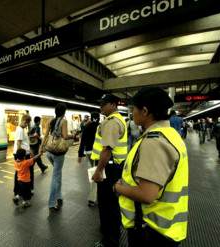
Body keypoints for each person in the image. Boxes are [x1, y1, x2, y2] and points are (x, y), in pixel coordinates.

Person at [114, 87, 189, 247]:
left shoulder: (154, 142)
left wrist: (118, 188)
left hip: (150, 230)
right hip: (165, 226)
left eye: (133, 108)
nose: (132, 112)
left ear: (145, 111)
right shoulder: (171, 134)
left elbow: (147, 195)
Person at [91, 94, 128, 247]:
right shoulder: (116, 120)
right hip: (114, 167)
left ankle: (110, 240)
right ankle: (111, 232)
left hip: (109, 168)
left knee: (107, 204)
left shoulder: (112, 123)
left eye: (103, 104)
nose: (101, 107)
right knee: (111, 202)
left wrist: (98, 171)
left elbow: (106, 150)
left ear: (113, 105)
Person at [40, 103, 77, 211]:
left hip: (49, 152)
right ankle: (52, 203)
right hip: (58, 153)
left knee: (58, 174)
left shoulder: (51, 121)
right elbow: (65, 136)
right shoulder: (63, 121)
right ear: (64, 112)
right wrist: (74, 135)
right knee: (55, 178)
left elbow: (46, 135)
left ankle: (59, 196)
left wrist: (41, 148)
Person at [80, 111, 100, 207]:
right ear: (98, 118)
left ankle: (95, 196)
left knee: (94, 170)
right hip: (96, 153)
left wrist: (80, 154)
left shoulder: (87, 126)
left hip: (88, 152)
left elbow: (82, 140)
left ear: (91, 118)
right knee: (97, 172)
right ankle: (92, 198)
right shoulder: (99, 126)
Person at [13, 114, 33, 204]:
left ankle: (23, 192)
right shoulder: (20, 130)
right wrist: (20, 158)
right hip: (22, 155)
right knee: (20, 174)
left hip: (25, 154)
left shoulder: (22, 129)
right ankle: (18, 192)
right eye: (27, 123)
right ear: (24, 121)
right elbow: (19, 144)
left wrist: (30, 150)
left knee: (21, 173)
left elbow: (25, 142)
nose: (27, 125)